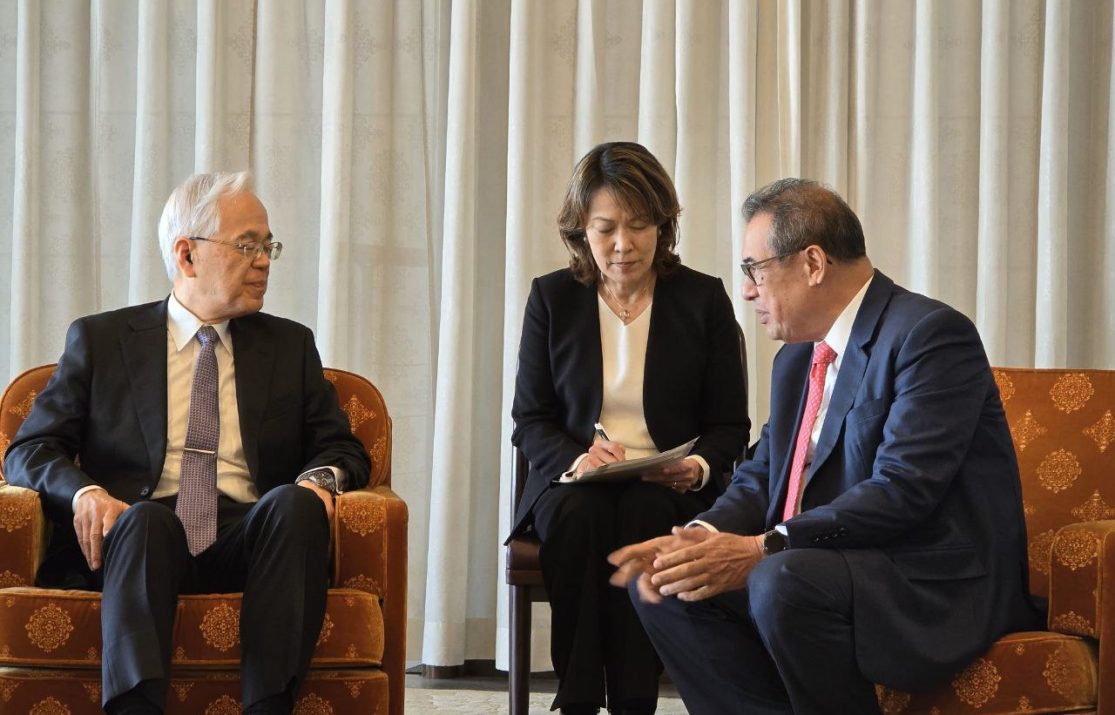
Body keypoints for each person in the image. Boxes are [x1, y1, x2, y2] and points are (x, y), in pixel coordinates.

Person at [609, 178, 1046, 715]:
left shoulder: (929, 335)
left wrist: (763, 548)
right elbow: (764, 473)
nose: (746, 291)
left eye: (754, 269)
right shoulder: (797, 359)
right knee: (668, 581)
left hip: (923, 581)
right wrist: (701, 538)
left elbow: (902, 489)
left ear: (813, 263)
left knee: (781, 578)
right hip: (820, 568)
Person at [3, 171, 370, 715]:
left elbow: (343, 449)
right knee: (147, 521)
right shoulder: (102, 340)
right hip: (140, 542)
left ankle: (268, 708)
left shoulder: (289, 346)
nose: (264, 261)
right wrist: (86, 493)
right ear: (187, 254)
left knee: (295, 503)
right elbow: (29, 450)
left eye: (268, 247)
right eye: (247, 245)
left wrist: (317, 483)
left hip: (252, 542)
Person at [508, 141, 749, 715]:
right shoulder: (552, 297)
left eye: (639, 226)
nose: (623, 244)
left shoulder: (702, 298)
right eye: (606, 228)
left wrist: (697, 467)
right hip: (577, 481)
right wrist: (578, 460)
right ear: (581, 231)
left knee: (645, 515)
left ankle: (634, 701)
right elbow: (531, 418)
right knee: (578, 516)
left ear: (662, 226)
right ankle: (577, 697)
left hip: (666, 484)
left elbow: (729, 423)